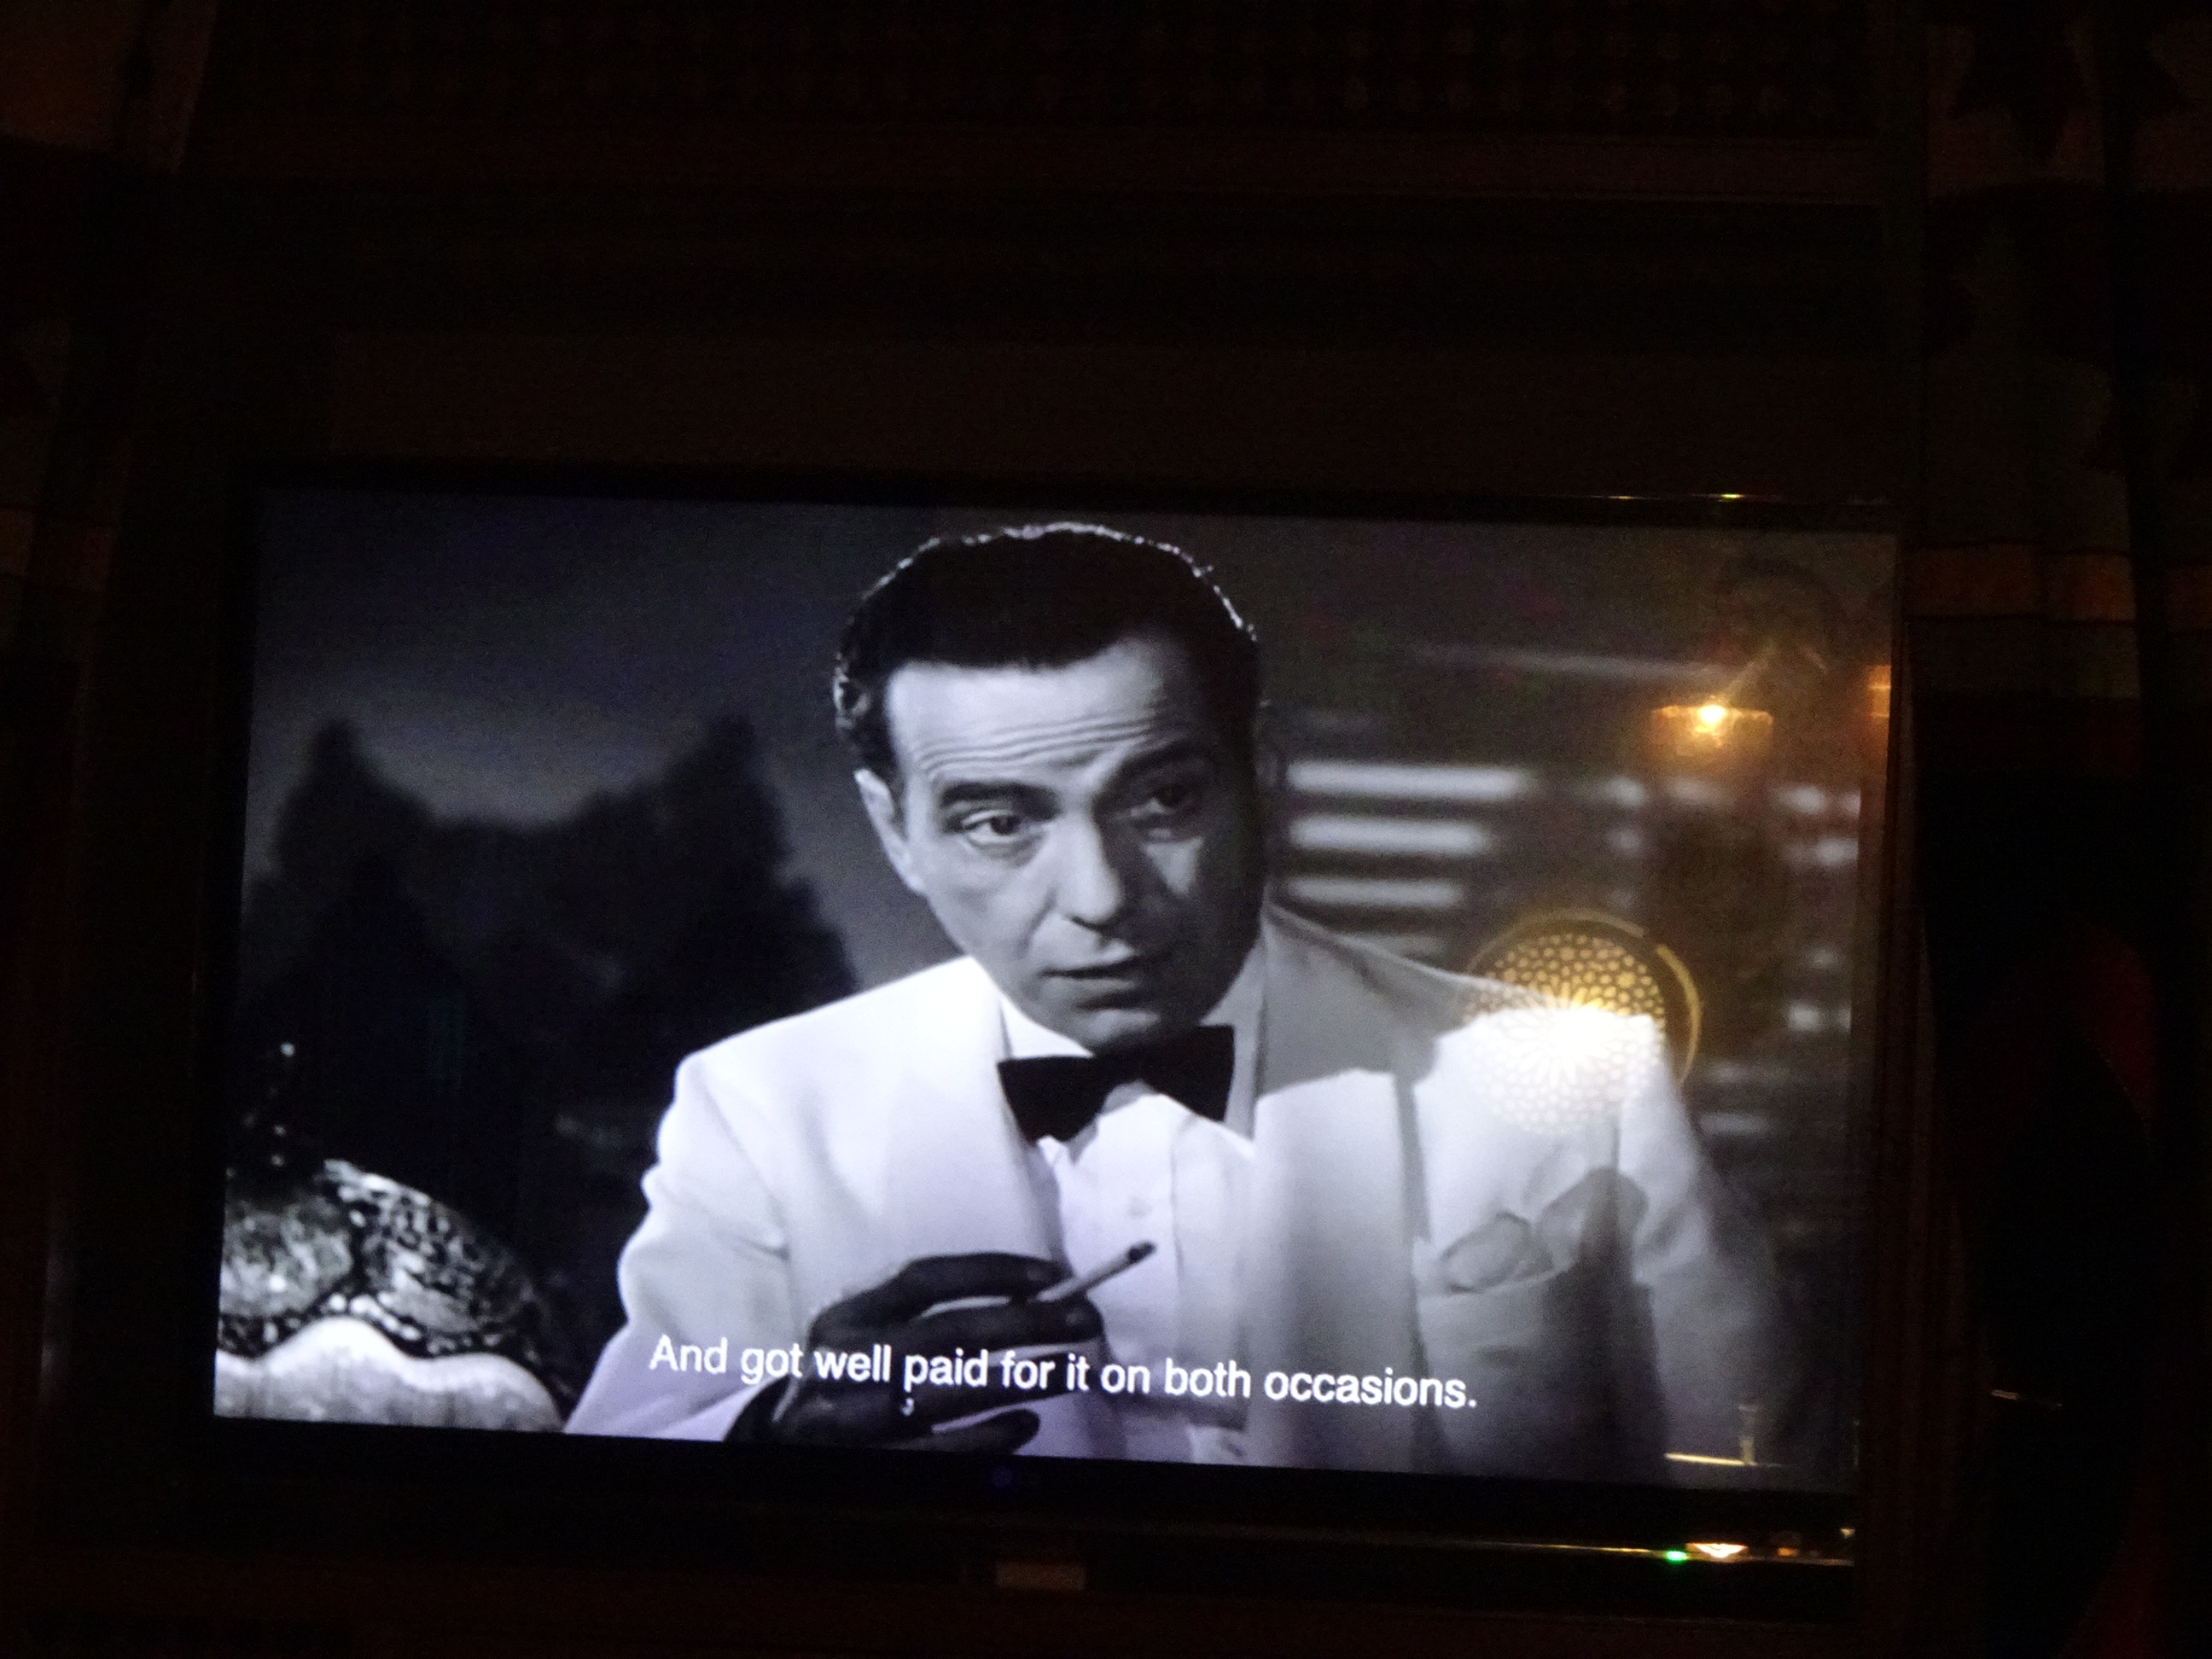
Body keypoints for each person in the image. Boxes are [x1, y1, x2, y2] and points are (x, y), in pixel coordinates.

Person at [565, 523, 1805, 1480]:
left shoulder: (1582, 1078)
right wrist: (775, 1430)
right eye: (999, 822)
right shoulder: (760, 1106)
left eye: (1162, 801)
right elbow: (622, 1469)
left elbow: (1753, 1490)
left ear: (1262, 775)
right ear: (896, 832)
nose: (1102, 899)